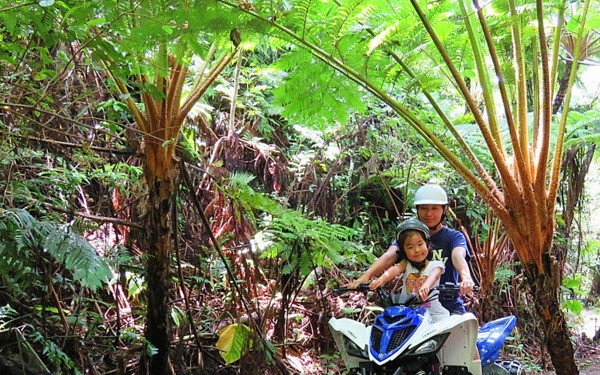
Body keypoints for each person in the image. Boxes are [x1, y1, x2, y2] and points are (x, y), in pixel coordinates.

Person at [350, 184, 475, 314]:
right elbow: (389, 256)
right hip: (413, 308)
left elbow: (458, 256)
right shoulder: (408, 236)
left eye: (435, 208)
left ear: (444, 210)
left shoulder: (453, 237)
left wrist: (466, 278)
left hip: (448, 307)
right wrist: (366, 277)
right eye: (424, 208)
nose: (429, 213)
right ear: (417, 210)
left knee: (463, 328)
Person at [370, 218, 449, 321]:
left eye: (420, 244)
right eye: (410, 247)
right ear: (403, 250)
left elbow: (434, 276)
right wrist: (380, 280)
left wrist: (426, 286)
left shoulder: (436, 265)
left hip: (434, 316)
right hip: (408, 314)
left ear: (427, 243)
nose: (417, 250)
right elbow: (395, 269)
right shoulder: (406, 264)